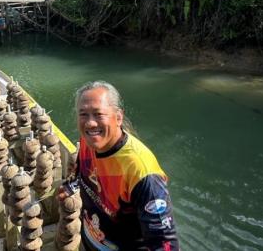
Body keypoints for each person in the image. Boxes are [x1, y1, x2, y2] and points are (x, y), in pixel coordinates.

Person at [61, 81, 179, 250]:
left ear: (118, 117)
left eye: (98, 114)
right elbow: (81, 171)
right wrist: (70, 187)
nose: (90, 123)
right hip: (90, 238)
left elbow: (164, 242)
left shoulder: (141, 172)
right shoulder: (89, 141)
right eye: (83, 114)